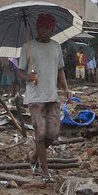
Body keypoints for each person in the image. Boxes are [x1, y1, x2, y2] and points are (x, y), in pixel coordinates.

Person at [21, 13, 70, 181]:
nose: (45, 31)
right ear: (37, 28)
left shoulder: (56, 47)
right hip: (35, 97)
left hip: (52, 96)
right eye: (42, 28)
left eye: (48, 29)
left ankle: (34, 155)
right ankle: (45, 170)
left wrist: (66, 89)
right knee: (40, 134)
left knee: (53, 134)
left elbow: (60, 70)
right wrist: (29, 77)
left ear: (52, 29)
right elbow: (20, 71)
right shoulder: (27, 47)